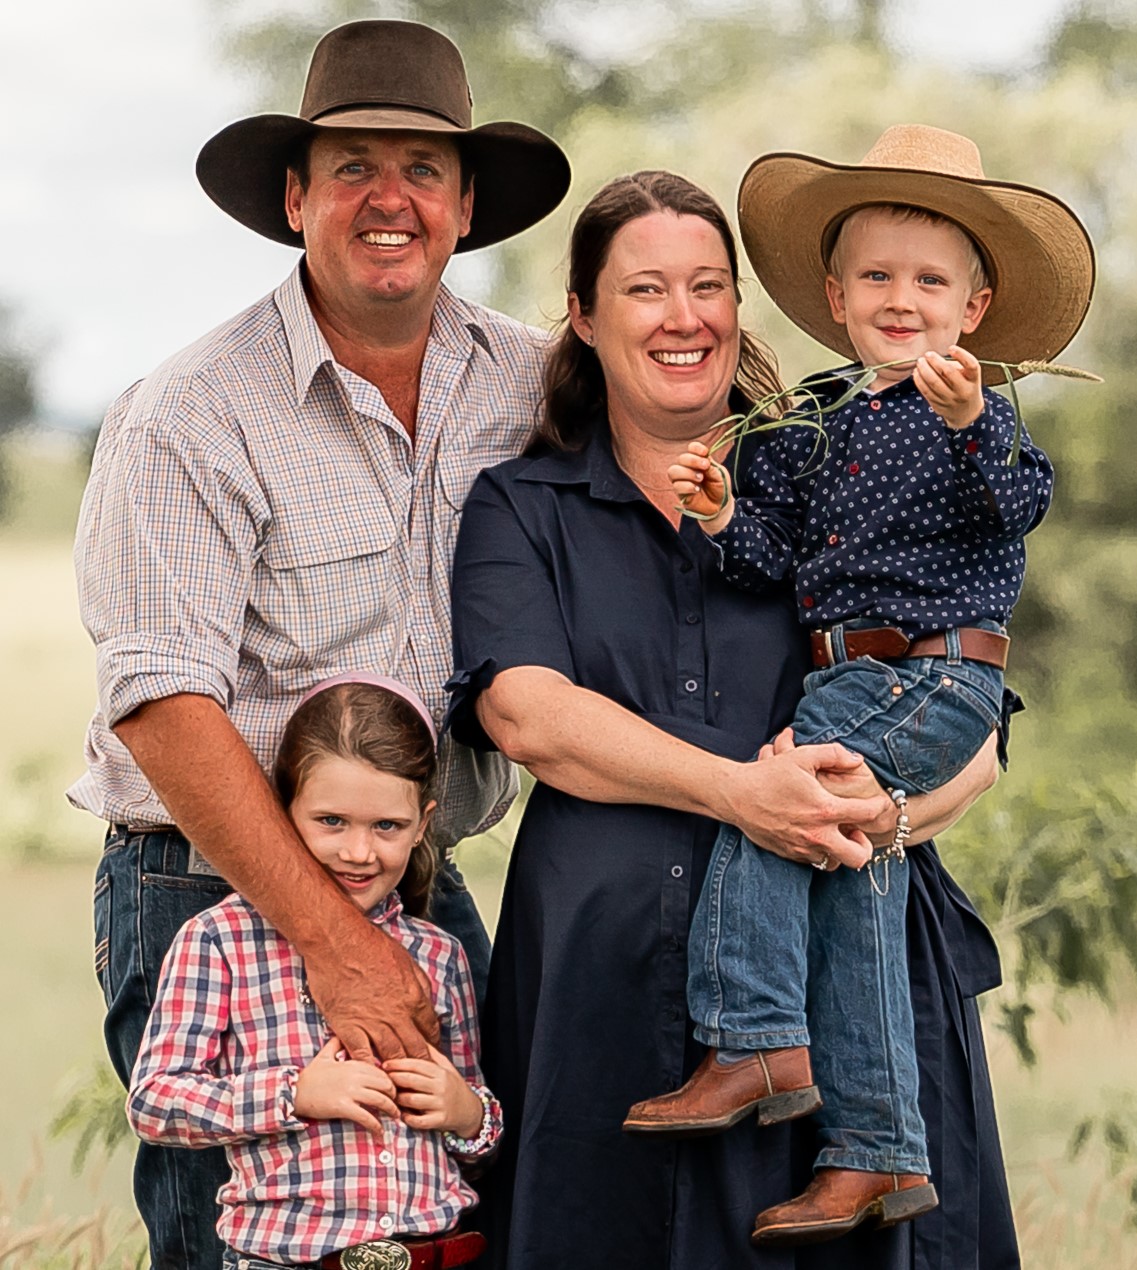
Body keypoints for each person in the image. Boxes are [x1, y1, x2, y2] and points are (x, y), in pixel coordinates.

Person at [446, 169, 1018, 1269]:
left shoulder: (846, 474)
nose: (683, 316)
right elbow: (528, 713)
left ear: (740, 310)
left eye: (709, 286)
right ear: (583, 312)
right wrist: (746, 796)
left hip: (843, 977)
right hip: (597, 982)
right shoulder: (524, 507)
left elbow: (976, 721)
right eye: (646, 288)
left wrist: (882, 819)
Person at [69, 19, 569, 1267]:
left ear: (464, 207)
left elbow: (693, 428)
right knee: (237, 1242)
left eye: (422, 168)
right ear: (297, 198)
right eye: (352, 165)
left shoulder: (529, 383)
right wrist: (334, 946)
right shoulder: (193, 410)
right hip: (207, 886)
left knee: (448, 1225)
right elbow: (160, 698)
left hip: (416, 878)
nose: (387, 198)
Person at [623, 125, 1093, 1246]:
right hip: (860, 678)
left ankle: (755, 1037)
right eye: (876, 275)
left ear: (972, 309)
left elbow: (1023, 501)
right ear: (834, 296)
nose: (901, 297)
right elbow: (774, 557)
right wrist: (723, 510)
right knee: (859, 884)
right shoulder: (811, 420)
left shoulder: (976, 409)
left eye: (930, 281)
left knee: (773, 794)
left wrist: (975, 420)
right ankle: (881, 1146)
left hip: (932, 677)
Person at [128, 675, 498, 1270]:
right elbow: (154, 1101)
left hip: (434, 1255)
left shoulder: (439, 954)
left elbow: (479, 1134)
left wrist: (467, 1112)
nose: (359, 852)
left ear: (423, 823)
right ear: (281, 809)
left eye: (387, 827)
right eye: (331, 821)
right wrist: (294, 1095)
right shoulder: (219, 942)